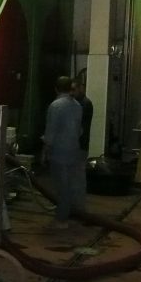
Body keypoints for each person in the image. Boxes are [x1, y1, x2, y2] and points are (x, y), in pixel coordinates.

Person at [42, 76, 83, 229]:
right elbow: (79, 130)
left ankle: (61, 219)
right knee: (70, 185)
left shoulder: (55, 106)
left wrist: (45, 150)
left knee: (61, 187)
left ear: (56, 88)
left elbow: (50, 133)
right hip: (73, 149)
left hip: (59, 151)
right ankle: (69, 214)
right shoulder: (77, 105)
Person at [71, 76, 93, 214]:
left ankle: (78, 208)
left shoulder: (84, 104)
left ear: (81, 88)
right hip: (78, 146)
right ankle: (75, 206)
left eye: (74, 89)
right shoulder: (79, 103)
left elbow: (77, 128)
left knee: (78, 177)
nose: (72, 93)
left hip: (79, 146)